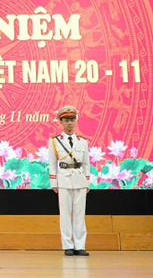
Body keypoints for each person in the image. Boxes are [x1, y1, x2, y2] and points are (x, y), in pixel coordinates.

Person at [49, 105, 91, 256]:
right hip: (64, 180)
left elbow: (86, 164)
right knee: (65, 215)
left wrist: (87, 182)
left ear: (75, 121)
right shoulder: (54, 141)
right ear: (61, 121)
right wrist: (54, 183)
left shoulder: (82, 141)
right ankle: (68, 245)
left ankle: (80, 245)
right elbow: (52, 164)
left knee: (80, 214)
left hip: (79, 180)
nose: (70, 123)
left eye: (72, 120)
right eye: (66, 120)